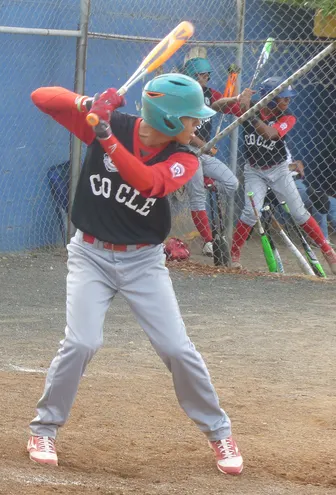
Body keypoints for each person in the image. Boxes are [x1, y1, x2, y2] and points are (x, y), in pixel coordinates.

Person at [25, 74, 243, 475]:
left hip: (143, 263)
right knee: (81, 342)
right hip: (90, 254)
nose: (197, 126)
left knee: (177, 349)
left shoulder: (184, 156)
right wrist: (86, 104)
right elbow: (41, 97)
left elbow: (148, 184)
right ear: (170, 118)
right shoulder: (112, 124)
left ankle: (219, 433)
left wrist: (105, 137)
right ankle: (44, 429)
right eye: (192, 119)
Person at [212, 76, 336, 273]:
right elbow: (216, 106)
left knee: (299, 213)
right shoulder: (250, 106)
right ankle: (234, 254)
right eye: (283, 98)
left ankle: (328, 252)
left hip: (279, 170)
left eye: (288, 98)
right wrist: (237, 99)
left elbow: (271, 134)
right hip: (254, 170)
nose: (287, 101)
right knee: (250, 214)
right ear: (270, 98)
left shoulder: (287, 116)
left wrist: (248, 113)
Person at [182, 57, 240, 257]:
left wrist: (239, 101)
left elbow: (230, 107)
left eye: (207, 75)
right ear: (191, 76)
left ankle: (209, 184)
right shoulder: (183, 97)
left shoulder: (210, 95)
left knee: (232, 183)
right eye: (201, 75)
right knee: (197, 197)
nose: (206, 77)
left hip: (203, 154)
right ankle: (208, 241)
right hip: (186, 152)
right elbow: (184, 132)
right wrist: (203, 146)